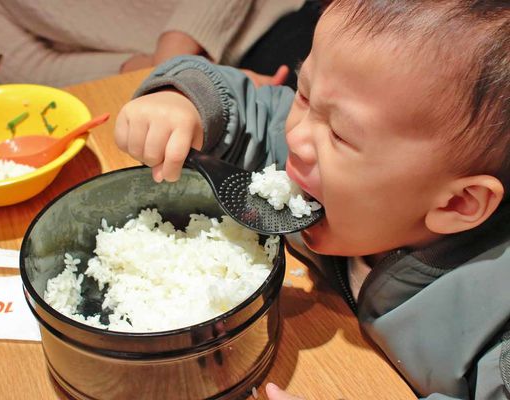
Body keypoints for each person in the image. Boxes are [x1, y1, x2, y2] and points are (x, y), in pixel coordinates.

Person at [112, 0, 510, 399]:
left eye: (340, 134)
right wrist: (182, 102)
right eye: (303, 94)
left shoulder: (494, 322)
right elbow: (249, 108)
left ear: (457, 204)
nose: (297, 137)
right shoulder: (312, 157)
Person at [0, 0, 303, 87]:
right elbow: (24, 67)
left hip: (265, 26)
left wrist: (177, 57)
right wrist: (170, 72)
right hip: (137, 79)